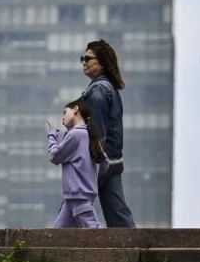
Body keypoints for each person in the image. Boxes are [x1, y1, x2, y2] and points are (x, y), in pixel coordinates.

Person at [80, 38, 137, 228]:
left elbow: (96, 132)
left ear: (102, 62)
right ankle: (133, 250)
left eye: (88, 58)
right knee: (117, 213)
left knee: (75, 203)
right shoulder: (108, 88)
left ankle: (56, 250)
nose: (84, 62)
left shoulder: (98, 91)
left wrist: (89, 160)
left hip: (100, 161)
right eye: (83, 58)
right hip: (112, 161)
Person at [46, 98, 108, 229]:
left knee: (93, 230)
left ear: (75, 109)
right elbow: (105, 163)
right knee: (59, 231)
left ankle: (114, 250)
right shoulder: (91, 135)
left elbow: (54, 155)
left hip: (78, 194)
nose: (62, 118)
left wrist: (52, 133)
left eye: (64, 112)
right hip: (75, 196)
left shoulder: (75, 135)